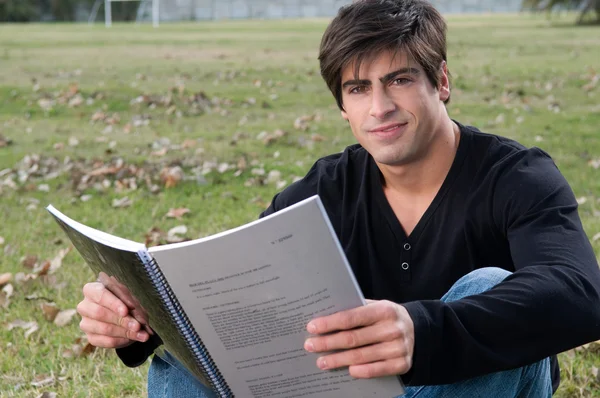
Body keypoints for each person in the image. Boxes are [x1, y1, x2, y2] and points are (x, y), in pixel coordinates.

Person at [75, 0, 600, 397]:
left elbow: (578, 291)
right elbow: (234, 297)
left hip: (467, 382)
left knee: (488, 285)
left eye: (399, 79)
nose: (381, 107)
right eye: (358, 89)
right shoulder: (326, 189)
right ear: (342, 107)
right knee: (179, 359)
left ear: (440, 82)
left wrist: (421, 330)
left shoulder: (516, 174)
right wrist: (138, 323)